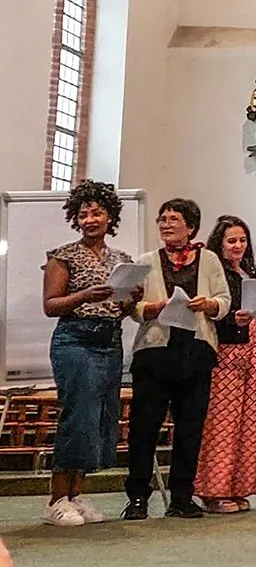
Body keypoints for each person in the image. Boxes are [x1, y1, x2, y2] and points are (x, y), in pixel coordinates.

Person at [123, 198, 231, 521]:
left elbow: (224, 301)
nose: (167, 224)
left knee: (190, 428)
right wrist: (149, 309)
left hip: (195, 350)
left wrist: (208, 304)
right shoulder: (145, 260)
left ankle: (181, 496)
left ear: (191, 227)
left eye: (174, 219)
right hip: (154, 351)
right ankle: (138, 496)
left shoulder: (210, 260)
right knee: (144, 427)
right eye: (163, 219)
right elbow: (132, 307)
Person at [42, 180, 135, 526]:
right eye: (83, 214)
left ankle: (76, 495)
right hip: (75, 341)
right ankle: (56, 500)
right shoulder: (62, 255)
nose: (90, 219)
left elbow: (119, 308)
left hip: (109, 341)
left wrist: (131, 300)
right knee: (77, 417)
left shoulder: (120, 259)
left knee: (100, 419)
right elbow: (51, 305)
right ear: (75, 219)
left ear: (110, 217)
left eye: (97, 213)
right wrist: (84, 296)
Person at [194, 215, 256, 514]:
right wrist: (231, 318)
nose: (238, 245)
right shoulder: (216, 274)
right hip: (224, 352)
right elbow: (213, 311)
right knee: (222, 423)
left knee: (247, 423)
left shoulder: (249, 271)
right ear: (220, 244)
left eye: (242, 240)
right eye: (231, 240)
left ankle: (237, 487)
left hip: (250, 350)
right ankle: (213, 491)